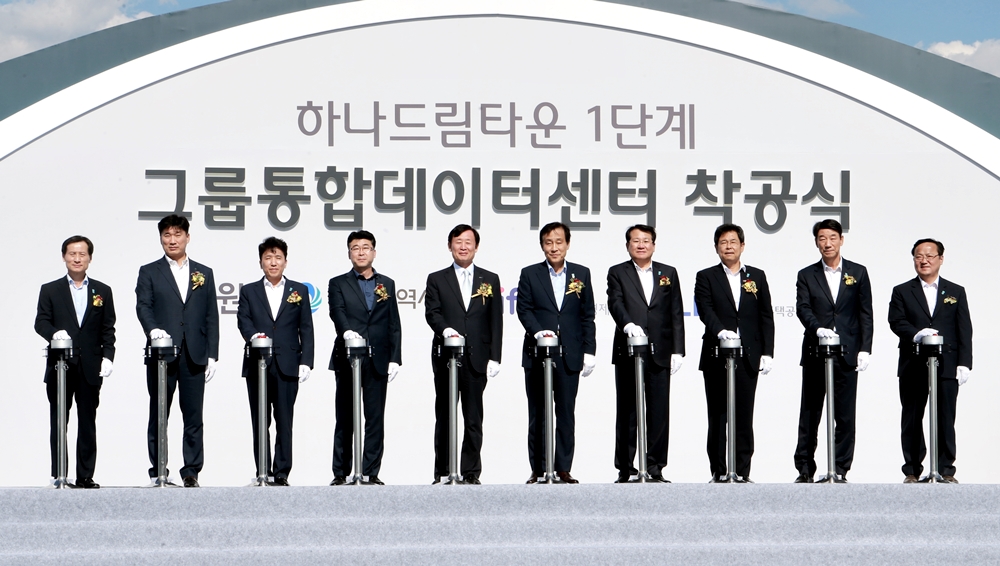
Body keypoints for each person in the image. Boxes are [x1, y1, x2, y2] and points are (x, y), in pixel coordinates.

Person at [135, 214, 219, 488]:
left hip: (194, 353)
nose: (172, 240)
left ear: (187, 237)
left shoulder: (203, 273)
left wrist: (212, 354)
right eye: (167, 235)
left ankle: (191, 471)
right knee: (159, 413)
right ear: (161, 238)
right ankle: (158, 469)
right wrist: (152, 331)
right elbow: (143, 306)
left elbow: (211, 315)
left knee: (193, 416)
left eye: (177, 234)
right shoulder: (149, 271)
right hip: (162, 354)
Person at [793, 218, 873, 483]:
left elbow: (865, 313)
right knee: (810, 413)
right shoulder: (807, 274)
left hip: (847, 352)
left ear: (841, 240)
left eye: (832, 238)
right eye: (822, 239)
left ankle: (840, 468)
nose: (827, 243)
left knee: (845, 415)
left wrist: (865, 349)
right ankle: (805, 469)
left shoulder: (858, 272)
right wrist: (817, 328)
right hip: (816, 351)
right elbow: (803, 308)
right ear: (816, 243)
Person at [516, 221, 596, 484]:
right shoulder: (530, 273)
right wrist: (538, 332)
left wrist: (589, 350)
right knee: (537, 413)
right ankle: (538, 468)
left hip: (569, 353)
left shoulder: (581, 274)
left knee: (565, 413)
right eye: (548, 242)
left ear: (568, 244)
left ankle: (563, 468)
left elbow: (587, 315)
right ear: (542, 245)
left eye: (559, 242)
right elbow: (524, 309)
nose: (554, 247)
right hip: (538, 352)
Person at [694, 223, 774, 483]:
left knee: (743, 415)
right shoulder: (706, 276)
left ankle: (742, 471)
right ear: (716, 247)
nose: (728, 247)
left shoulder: (756, 276)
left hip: (748, 355)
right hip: (717, 353)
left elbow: (765, 315)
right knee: (718, 415)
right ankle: (718, 471)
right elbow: (705, 310)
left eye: (733, 242)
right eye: (723, 242)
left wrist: (767, 352)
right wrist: (721, 331)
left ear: (742, 245)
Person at [34, 235, 116, 489]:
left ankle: (85, 476)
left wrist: (108, 356)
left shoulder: (102, 290)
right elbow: (41, 322)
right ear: (64, 257)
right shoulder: (50, 289)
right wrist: (53, 334)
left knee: (87, 421)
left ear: (90, 258)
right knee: (59, 420)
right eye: (72, 254)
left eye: (82, 254)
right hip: (60, 365)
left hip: (90, 366)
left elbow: (108, 329)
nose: (77, 259)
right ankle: (59, 473)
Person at [888, 238, 972, 484]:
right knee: (912, 418)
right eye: (918, 256)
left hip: (947, 363)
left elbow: (964, 328)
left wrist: (964, 362)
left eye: (929, 256)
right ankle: (912, 470)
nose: (923, 261)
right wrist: (917, 333)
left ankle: (946, 470)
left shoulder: (956, 291)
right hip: (913, 363)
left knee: (945, 417)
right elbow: (896, 321)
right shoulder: (902, 291)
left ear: (940, 259)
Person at [424, 224, 503, 485]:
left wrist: (495, 356)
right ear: (450, 246)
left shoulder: (489, 279)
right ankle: (443, 471)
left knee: (473, 418)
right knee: (445, 416)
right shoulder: (437, 278)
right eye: (458, 241)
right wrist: (445, 330)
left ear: (476, 247)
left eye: (468, 242)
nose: (463, 246)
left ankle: (470, 472)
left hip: (476, 357)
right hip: (446, 357)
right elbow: (432, 313)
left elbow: (495, 320)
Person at [606, 224, 684, 483]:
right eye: (636, 240)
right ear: (628, 245)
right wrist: (628, 324)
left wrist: (678, 350)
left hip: (660, 351)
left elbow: (675, 312)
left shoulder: (668, 273)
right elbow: (615, 303)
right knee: (627, 411)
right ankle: (625, 468)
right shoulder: (618, 272)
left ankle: (655, 467)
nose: (641, 245)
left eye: (646, 240)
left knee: (659, 412)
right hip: (628, 349)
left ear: (653, 245)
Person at [236, 237, 314, 486]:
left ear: (285, 262)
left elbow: (306, 327)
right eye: (268, 258)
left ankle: (281, 473)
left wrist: (306, 361)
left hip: (288, 364)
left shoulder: (298, 290)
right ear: (260, 262)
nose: (273, 262)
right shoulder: (249, 291)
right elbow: (243, 320)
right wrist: (253, 336)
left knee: (285, 421)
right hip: (257, 363)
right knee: (260, 420)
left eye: (278, 257)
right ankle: (263, 470)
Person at [328, 230, 402, 485]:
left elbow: (393, 323)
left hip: (378, 358)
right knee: (345, 417)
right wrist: (347, 332)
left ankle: (371, 472)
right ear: (349, 253)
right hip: (348, 356)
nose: (361, 252)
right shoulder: (338, 283)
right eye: (355, 248)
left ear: (374, 252)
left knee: (375, 418)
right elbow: (337, 312)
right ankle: (340, 472)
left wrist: (395, 357)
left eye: (365, 247)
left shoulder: (387, 284)